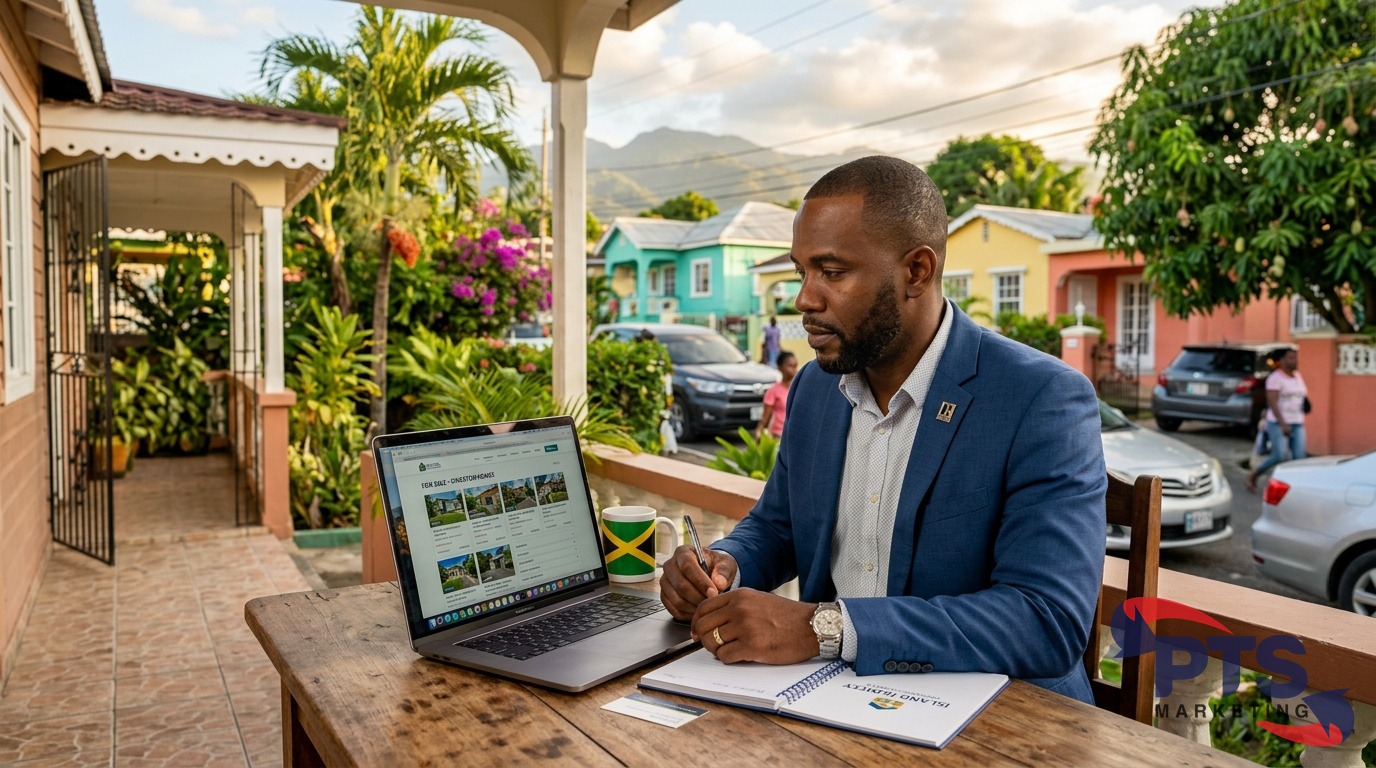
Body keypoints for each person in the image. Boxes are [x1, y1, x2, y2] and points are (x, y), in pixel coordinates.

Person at [660, 156, 1107, 704]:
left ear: (916, 271)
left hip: (1005, 721)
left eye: (832, 271)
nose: (804, 298)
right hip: (832, 704)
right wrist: (725, 564)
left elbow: (1046, 620)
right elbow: (778, 527)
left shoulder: (1040, 399)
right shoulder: (816, 389)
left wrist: (823, 628)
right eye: (802, 272)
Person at [1247, 348, 1307, 492]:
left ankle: (1293, 487)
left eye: (1295, 357)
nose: (1295, 361)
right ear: (1282, 361)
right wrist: (1282, 424)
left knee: (1299, 457)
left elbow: (1301, 395)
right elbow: (1272, 403)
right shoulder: (1275, 378)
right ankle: (1254, 475)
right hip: (1277, 422)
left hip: (1297, 422)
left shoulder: (1297, 376)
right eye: (1291, 358)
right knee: (1280, 455)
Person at [755, 351, 797, 439]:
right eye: (790, 366)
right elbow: (765, 419)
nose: (794, 370)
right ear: (780, 367)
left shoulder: (798, 389)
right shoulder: (773, 390)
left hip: (795, 436)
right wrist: (759, 433)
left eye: (795, 366)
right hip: (778, 437)